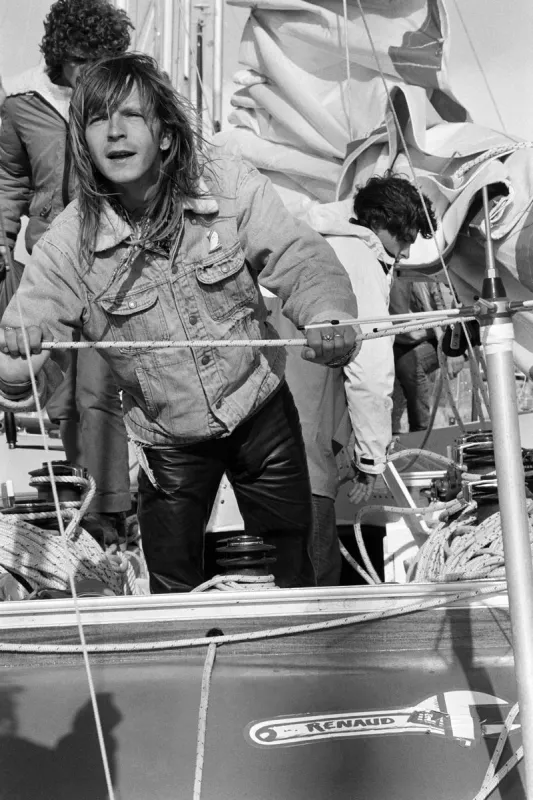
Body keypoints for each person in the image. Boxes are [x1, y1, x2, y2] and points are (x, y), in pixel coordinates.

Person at [0, 53, 362, 593]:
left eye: (131, 115)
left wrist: (328, 316)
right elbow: (27, 337)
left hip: (260, 413)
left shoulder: (228, 186)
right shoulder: (67, 245)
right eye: (98, 119)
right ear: (84, 142)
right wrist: (15, 370)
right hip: (167, 442)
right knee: (173, 590)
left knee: (292, 576)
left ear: (166, 135)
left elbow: (299, 257)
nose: (115, 132)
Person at [0, 0, 134, 543]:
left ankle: (108, 510)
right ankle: (75, 495)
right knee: (57, 392)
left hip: (111, 261)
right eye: (81, 60)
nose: (88, 73)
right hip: (46, 264)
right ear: (59, 53)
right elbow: (10, 180)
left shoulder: (119, 98)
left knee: (99, 390)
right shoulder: (20, 101)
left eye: (100, 60)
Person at [264, 173, 439, 584]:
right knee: (317, 580)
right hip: (305, 447)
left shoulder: (307, 243)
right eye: (405, 237)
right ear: (378, 224)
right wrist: (371, 459)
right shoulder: (359, 258)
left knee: (282, 572)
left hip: (268, 445)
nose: (406, 251)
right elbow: (370, 370)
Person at [389, 279, 466, 434]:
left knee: (409, 365)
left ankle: (421, 432)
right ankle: (391, 432)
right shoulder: (386, 274)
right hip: (403, 339)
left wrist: (453, 349)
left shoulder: (429, 276)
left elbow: (451, 310)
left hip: (447, 335)